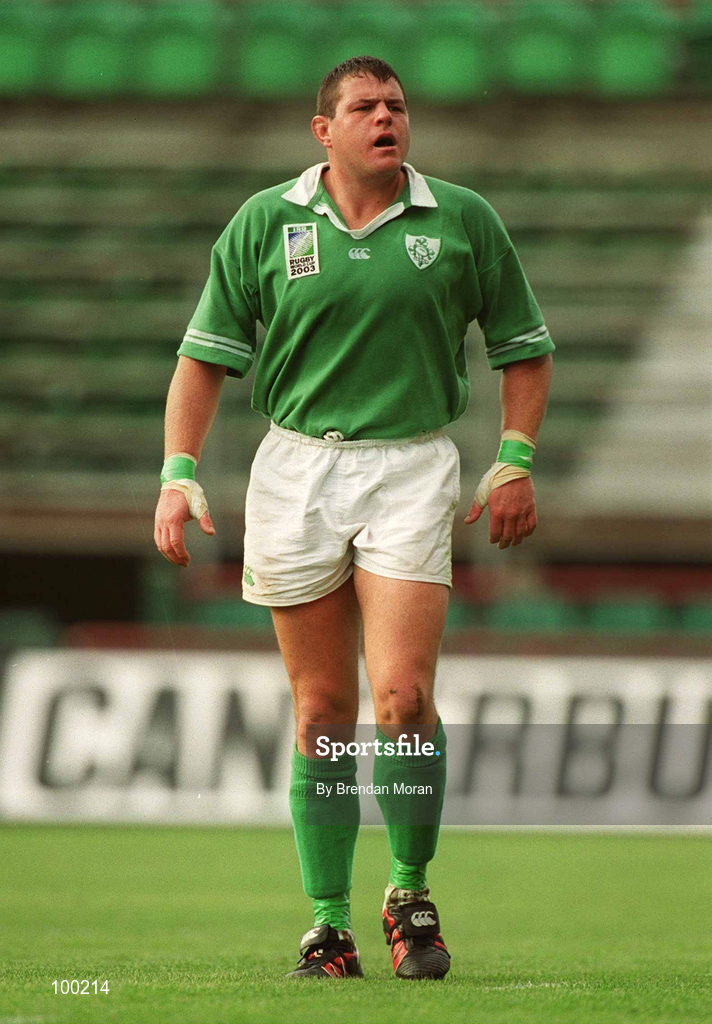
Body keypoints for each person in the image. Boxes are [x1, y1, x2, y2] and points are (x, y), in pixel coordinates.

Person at [154, 55, 553, 981]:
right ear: (323, 130)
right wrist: (179, 473)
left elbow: (522, 349)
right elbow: (203, 360)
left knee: (404, 697)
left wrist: (515, 459)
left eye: (398, 106)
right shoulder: (266, 222)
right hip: (296, 468)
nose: (387, 118)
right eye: (365, 107)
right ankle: (328, 923)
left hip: (413, 465)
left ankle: (409, 893)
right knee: (322, 713)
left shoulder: (461, 220)